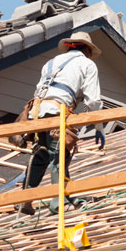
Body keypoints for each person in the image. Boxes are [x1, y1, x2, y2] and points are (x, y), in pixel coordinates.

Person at [18, 31, 106, 215]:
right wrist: (99, 128)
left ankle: (24, 200)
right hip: (57, 112)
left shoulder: (51, 62)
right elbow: (93, 101)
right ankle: (59, 202)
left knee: (40, 154)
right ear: (87, 50)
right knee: (60, 155)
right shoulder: (87, 64)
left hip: (36, 112)